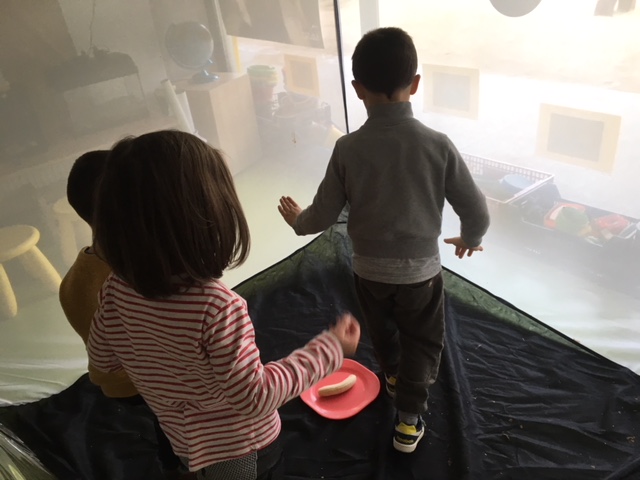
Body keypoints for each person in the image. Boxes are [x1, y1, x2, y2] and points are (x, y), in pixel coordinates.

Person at [86, 130, 360, 479]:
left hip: (180, 437)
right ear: (209, 220)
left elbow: (103, 361)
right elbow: (256, 398)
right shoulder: (217, 307)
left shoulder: (113, 290)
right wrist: (330, 349)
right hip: (242, 450)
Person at [277, 27, 490, 454]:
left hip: (369, 273)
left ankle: (391, 374)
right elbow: (476, 209)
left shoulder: (348, 149)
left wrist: (298, 221)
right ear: (415, 84)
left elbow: (322, 214)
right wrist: (470, 237)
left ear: (357, 89)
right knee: (423, 344)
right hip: (421, 276)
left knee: (383, 330)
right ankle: (408, 421)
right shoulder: (438, 145)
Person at [59, 150, 191, 480]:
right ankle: (180, 465)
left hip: (122, 376)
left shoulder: (80, 277)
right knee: (173, 418)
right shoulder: (120, 281)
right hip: (137, 383)